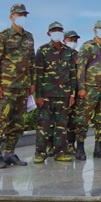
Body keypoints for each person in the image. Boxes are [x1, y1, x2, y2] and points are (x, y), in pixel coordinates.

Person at [0, 4, 35, 169]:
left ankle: (10, 153)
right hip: (6, 87)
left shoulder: (29, 37)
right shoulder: (3, 36)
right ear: (11, 17)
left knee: (16, 123)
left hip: (22, 88)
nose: (22, 16)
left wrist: (32, 83)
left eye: (24, 14)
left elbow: (32, 63)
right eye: (18, 14)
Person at [33, 21, 76, 163]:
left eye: (59, 30)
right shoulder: (43, 50)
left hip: (63, 95)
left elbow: (72, 74)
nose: (57, 32)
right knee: (44, 125)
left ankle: (60, 152)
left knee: (62, 126)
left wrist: (72, 94)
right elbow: (38, 75)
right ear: (49, 33)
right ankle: (40, 152)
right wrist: (38, 96)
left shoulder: (68, 52)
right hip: (46, 95)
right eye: (54, 30)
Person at [74, 19, 101, 161]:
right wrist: (81, 88)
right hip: (89, 89)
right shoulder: (87, 47)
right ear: (95, 30)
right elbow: (80, 68)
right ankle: (80, 148)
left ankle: (99, 148)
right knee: (83, 119)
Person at [64, 30, 80, 155]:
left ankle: (70, 144)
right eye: (71, 40)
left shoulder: (78, 55)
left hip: (75, 93)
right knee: (57, 121)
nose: (73, 43)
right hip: (59, 93)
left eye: (75, 40)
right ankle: (53, 146)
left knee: (73, 121)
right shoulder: (59, 53)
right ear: (64, 40)